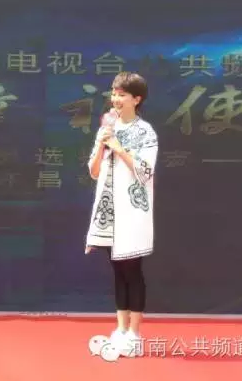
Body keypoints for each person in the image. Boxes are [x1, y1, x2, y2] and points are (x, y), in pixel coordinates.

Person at [84, 71, 158, 358]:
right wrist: (102, 146)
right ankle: (121, 328)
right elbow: (93, 171)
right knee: (117, 270)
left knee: (132, 270)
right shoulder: (107, 127)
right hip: (109, 211)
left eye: (122, 94)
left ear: (136, 99)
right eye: (114, 93)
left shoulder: (146, 132)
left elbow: (145, 171)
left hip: (132, 211)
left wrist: (119, 147)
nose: (115, 99)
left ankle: (135, 334)